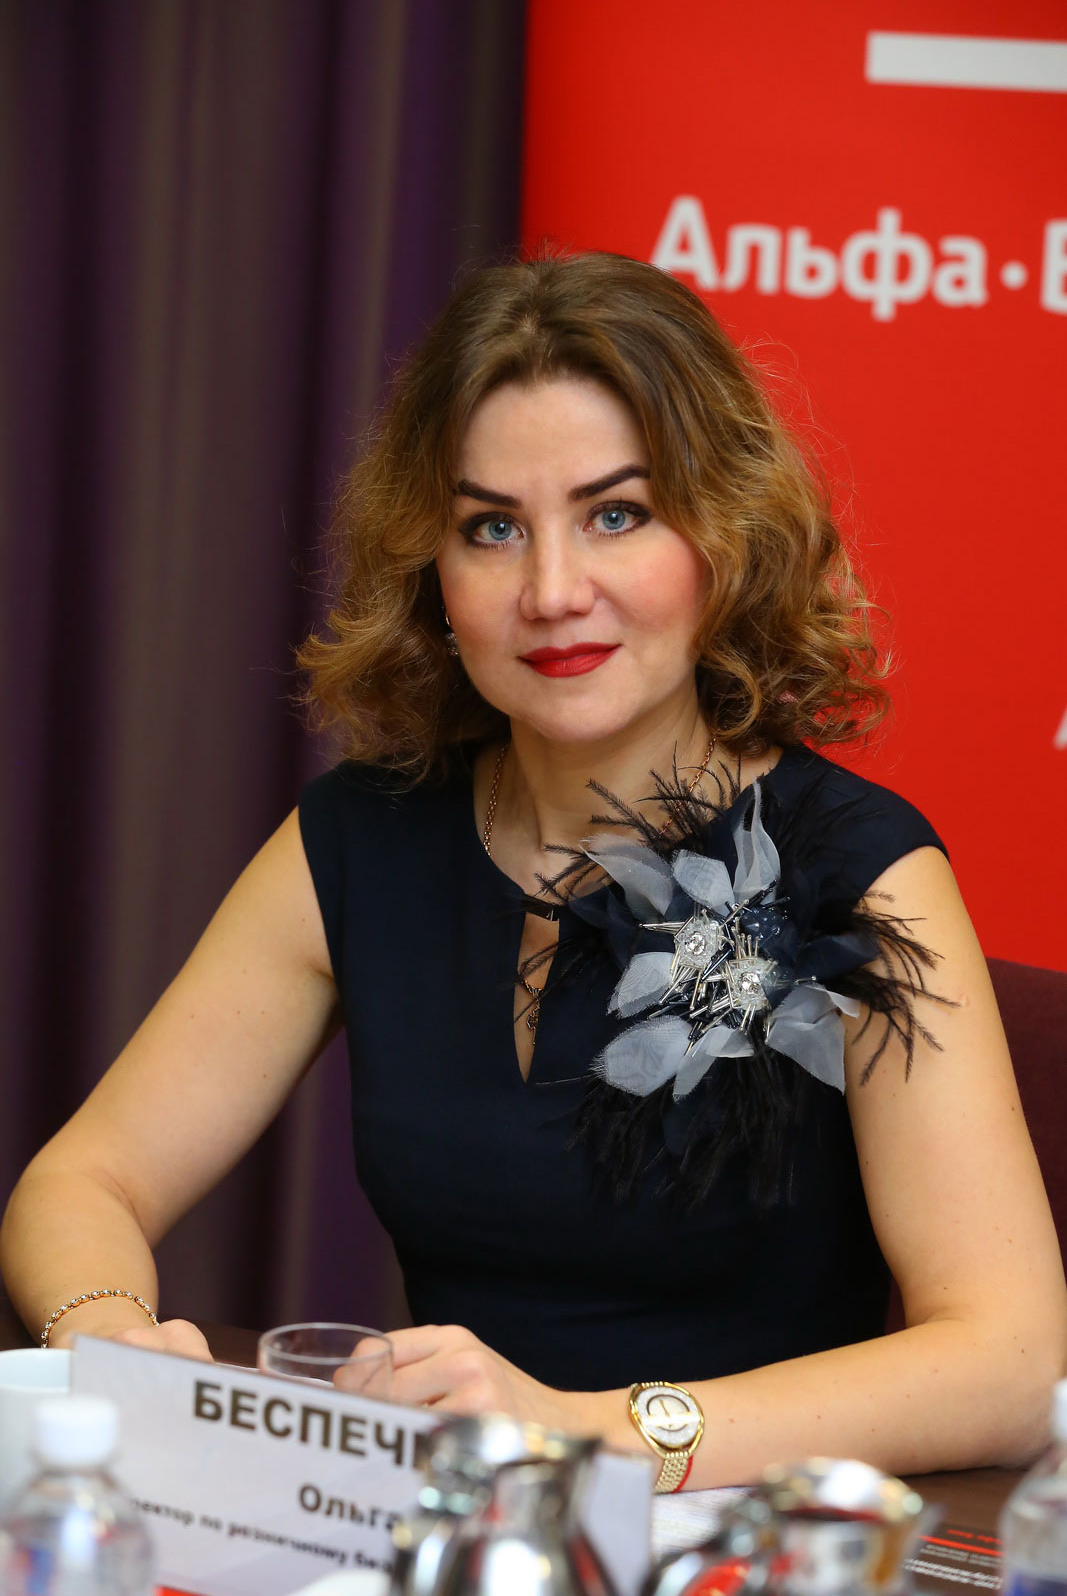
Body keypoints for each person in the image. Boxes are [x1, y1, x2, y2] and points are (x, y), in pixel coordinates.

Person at [2, 252, 1064, 1492]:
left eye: (615, 514)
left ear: (722, 532)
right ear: (432, 570)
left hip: (740, 1541)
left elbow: (1007, 1359)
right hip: (447, 1535)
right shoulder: (358, 838)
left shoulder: (860, 871)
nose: (552, 591)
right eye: (491, 528)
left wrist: (581, 1432)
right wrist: (105, 1334)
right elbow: (83, 1178)